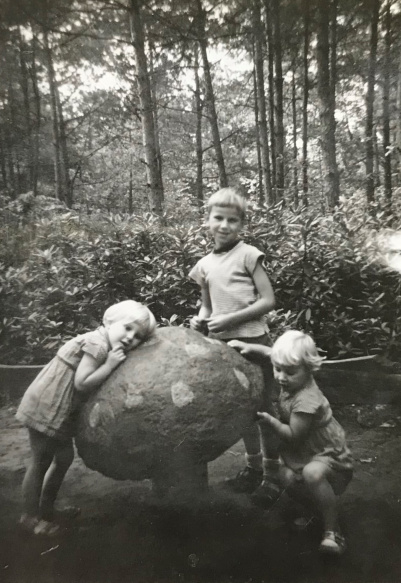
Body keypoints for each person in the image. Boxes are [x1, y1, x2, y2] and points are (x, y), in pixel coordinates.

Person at [16, 300, 156, 537]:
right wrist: (110, 364)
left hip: (55, 406)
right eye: (127, 327)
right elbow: (82, 384)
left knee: (62, 459)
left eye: (138, 336)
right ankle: (29, 518)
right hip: (47, 405)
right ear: (110, 322)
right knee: (40, 460)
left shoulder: (103, 342)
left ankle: (47, 509)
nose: (130, 337)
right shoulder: (97, 345)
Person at [189, 188, 280, 502]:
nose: (224, 225)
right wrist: (200, 320)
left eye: (232, 220)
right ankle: (252, 468)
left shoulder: (248, 255)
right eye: (219, 218)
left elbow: (268, 300)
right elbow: (207, 306)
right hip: (222, 347)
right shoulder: (203, 265)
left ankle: (272, 474)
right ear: (208, 221)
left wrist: (231, 320)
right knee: (241, 410)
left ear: (242, 224)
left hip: (253, 340)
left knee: (265, 409)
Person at [229, 330, 353, 556]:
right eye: (278, 369)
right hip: (304, 452)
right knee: (286, 477)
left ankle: (333, 531)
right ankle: (317, 510)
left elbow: (293, 435)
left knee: (312, 475)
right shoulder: (295, 377)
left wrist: (269, 421)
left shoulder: (306, 399)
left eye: (290, 372)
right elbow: (276, 356)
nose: (282, 377)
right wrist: (251, 347)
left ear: (309, 368)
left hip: (326, 454)